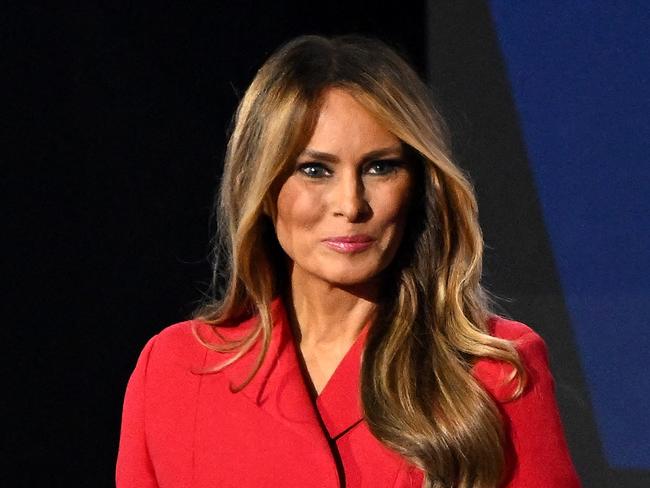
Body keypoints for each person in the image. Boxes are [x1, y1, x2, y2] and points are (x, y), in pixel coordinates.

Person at [116, 35, 580, 488]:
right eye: (315, 170)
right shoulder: (176, 370)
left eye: (381, 167)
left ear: (418, 185)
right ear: (260, 184)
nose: (351, 204)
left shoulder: (496, 369)